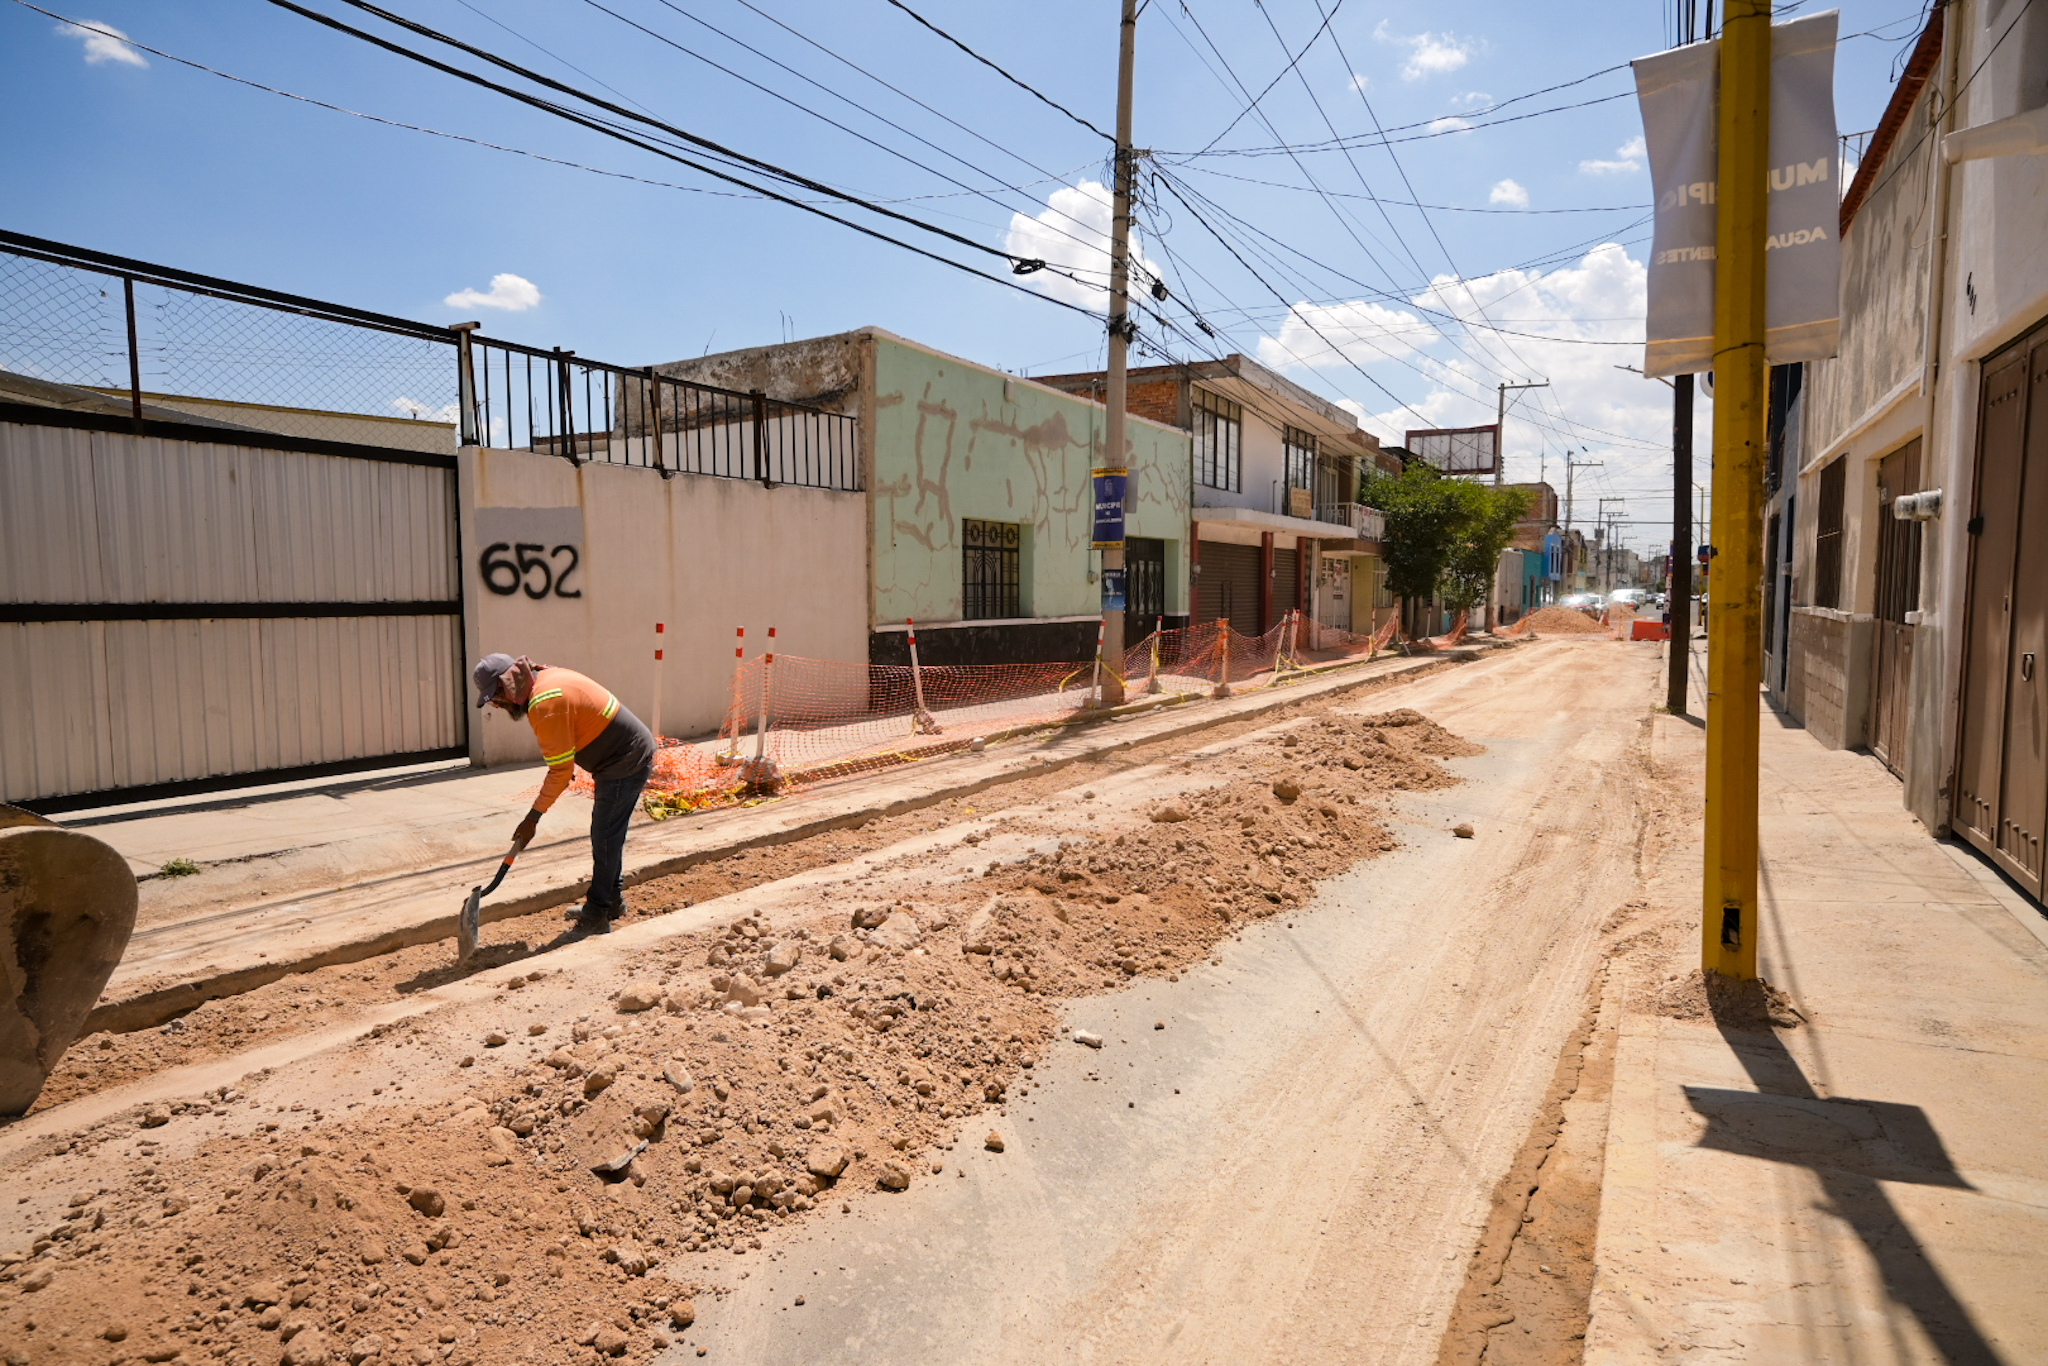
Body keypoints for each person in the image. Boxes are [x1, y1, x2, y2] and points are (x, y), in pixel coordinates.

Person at [472, 653, 655, 935]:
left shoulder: (545, 703)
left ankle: (597, 913)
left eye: (495, 698)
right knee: (609, 836)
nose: (496, 706)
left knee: (606, 836)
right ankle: (612, 901)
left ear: (507, 684)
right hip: (621, 755)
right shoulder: (542, 678)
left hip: (625, 759)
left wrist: (532, 818)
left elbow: (560, 772)